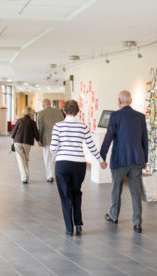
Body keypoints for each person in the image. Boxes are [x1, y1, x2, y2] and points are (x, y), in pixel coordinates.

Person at [50, 100, 107, 236]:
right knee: (76, 192)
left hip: (62, 164)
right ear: (77, 111)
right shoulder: (82, 126)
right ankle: (79, 224)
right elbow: (91, 146)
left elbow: (53, 148)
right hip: (79, 164)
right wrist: (101, 160)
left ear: (64, 111)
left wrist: (60, 155)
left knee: (65, 196)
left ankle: (69, 228)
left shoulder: (58, 126)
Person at [100, 90, 148, 233]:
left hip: (120, 159)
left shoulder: (115, 116)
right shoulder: (140, 117)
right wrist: (145, 158)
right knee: (136, 192)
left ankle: (114, 216)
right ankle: (137, 223)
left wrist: (101, 156)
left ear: (119, 101)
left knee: (116, 188)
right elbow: (144, 139)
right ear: (131, 101)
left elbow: (108, 137)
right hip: (136, 159)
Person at [37, 99, 64, 182]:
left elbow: (40, 128)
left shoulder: (41, 113)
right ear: (51, 104)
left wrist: (39, 139)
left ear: (43, 105)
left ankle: (50, 176)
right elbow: (63, 124)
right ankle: (57, 174)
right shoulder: (59, 112)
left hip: (47, 138)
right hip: (58, 138)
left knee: (47, 158)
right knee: (56, 158)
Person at [12, 106, 39, 184]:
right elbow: (36, 134)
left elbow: (13, 133)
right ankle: (26, 176)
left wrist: (12, 142)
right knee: (25, 159)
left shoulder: (19, 121)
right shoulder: (32, 122)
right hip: (27, 143)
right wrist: (38, 141)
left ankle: (24, 177)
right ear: (31, 113)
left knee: (21, 160)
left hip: (17, 142)